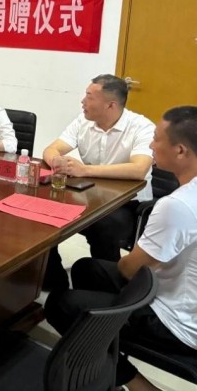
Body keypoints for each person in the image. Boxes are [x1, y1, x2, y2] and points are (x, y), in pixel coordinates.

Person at [45, 106, 197, 391]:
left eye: (156, 139)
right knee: (86, 268)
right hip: (175, 289)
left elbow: (130, 269)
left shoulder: (179, 205)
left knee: (60, 304)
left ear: (180, 151)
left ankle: (134, 382)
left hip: (176, 321)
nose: (151, 145)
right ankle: (102, 345)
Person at [42, 75, 155, 290]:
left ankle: (106, 286)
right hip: (90, 194)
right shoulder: (83, 121)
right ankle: (53, 281)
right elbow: (51, 149)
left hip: (128, 203)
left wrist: (85, 170)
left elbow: (139, 169)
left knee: (104, 226)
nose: (82, 101)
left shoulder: (141, 127)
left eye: (89, 97)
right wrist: (57, 160)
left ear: (110, 105)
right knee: (43, 214)